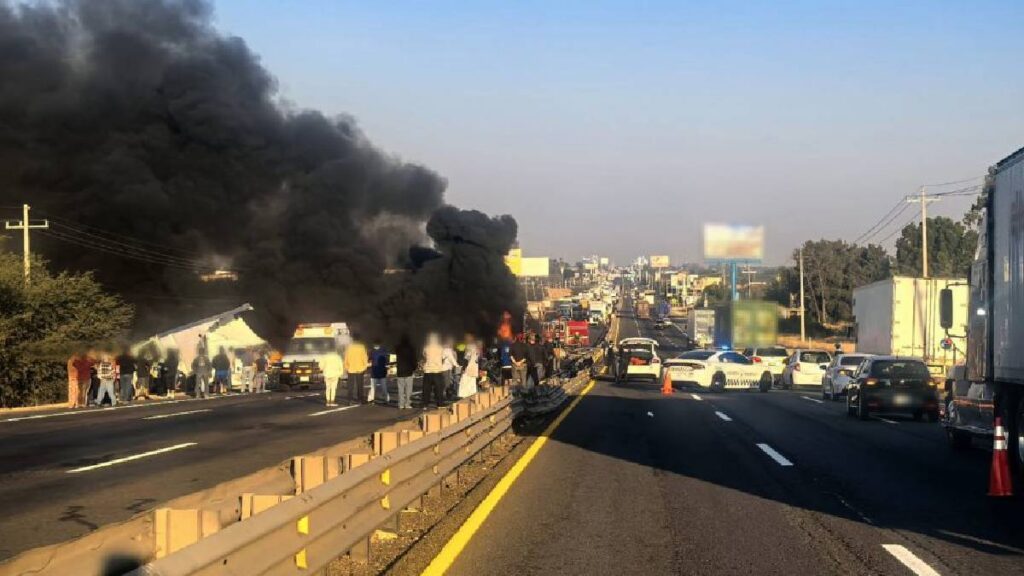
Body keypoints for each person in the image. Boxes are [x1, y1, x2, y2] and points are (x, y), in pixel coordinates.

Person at [422, 333, 446, 408]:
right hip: (437, 370)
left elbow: (424, 356)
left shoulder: (426, 347)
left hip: (428, 370)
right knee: (439, 389)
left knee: (426, 389)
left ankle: (425, 404)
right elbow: (443, 357)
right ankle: (440, 404)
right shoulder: (440, 348)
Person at [344, 335, 370, 403]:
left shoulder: (349, 347)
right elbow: (365, 358)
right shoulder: (361, 347)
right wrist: (365, 367)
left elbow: (346, 358)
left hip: (351, 368)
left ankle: (349, 399)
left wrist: (346, 367)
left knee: (350, 385)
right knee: (360, 385)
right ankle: (360, 399)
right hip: (360, 369)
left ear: (353, 339)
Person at [394, 335, 416, 410]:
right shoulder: (411, 348)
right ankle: (407, 404)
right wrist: (414, 368)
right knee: (408, 389)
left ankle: (400, 404)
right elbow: (413, 359)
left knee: (400, 389)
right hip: (409, 371)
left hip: (400, 371)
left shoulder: (398, 348)